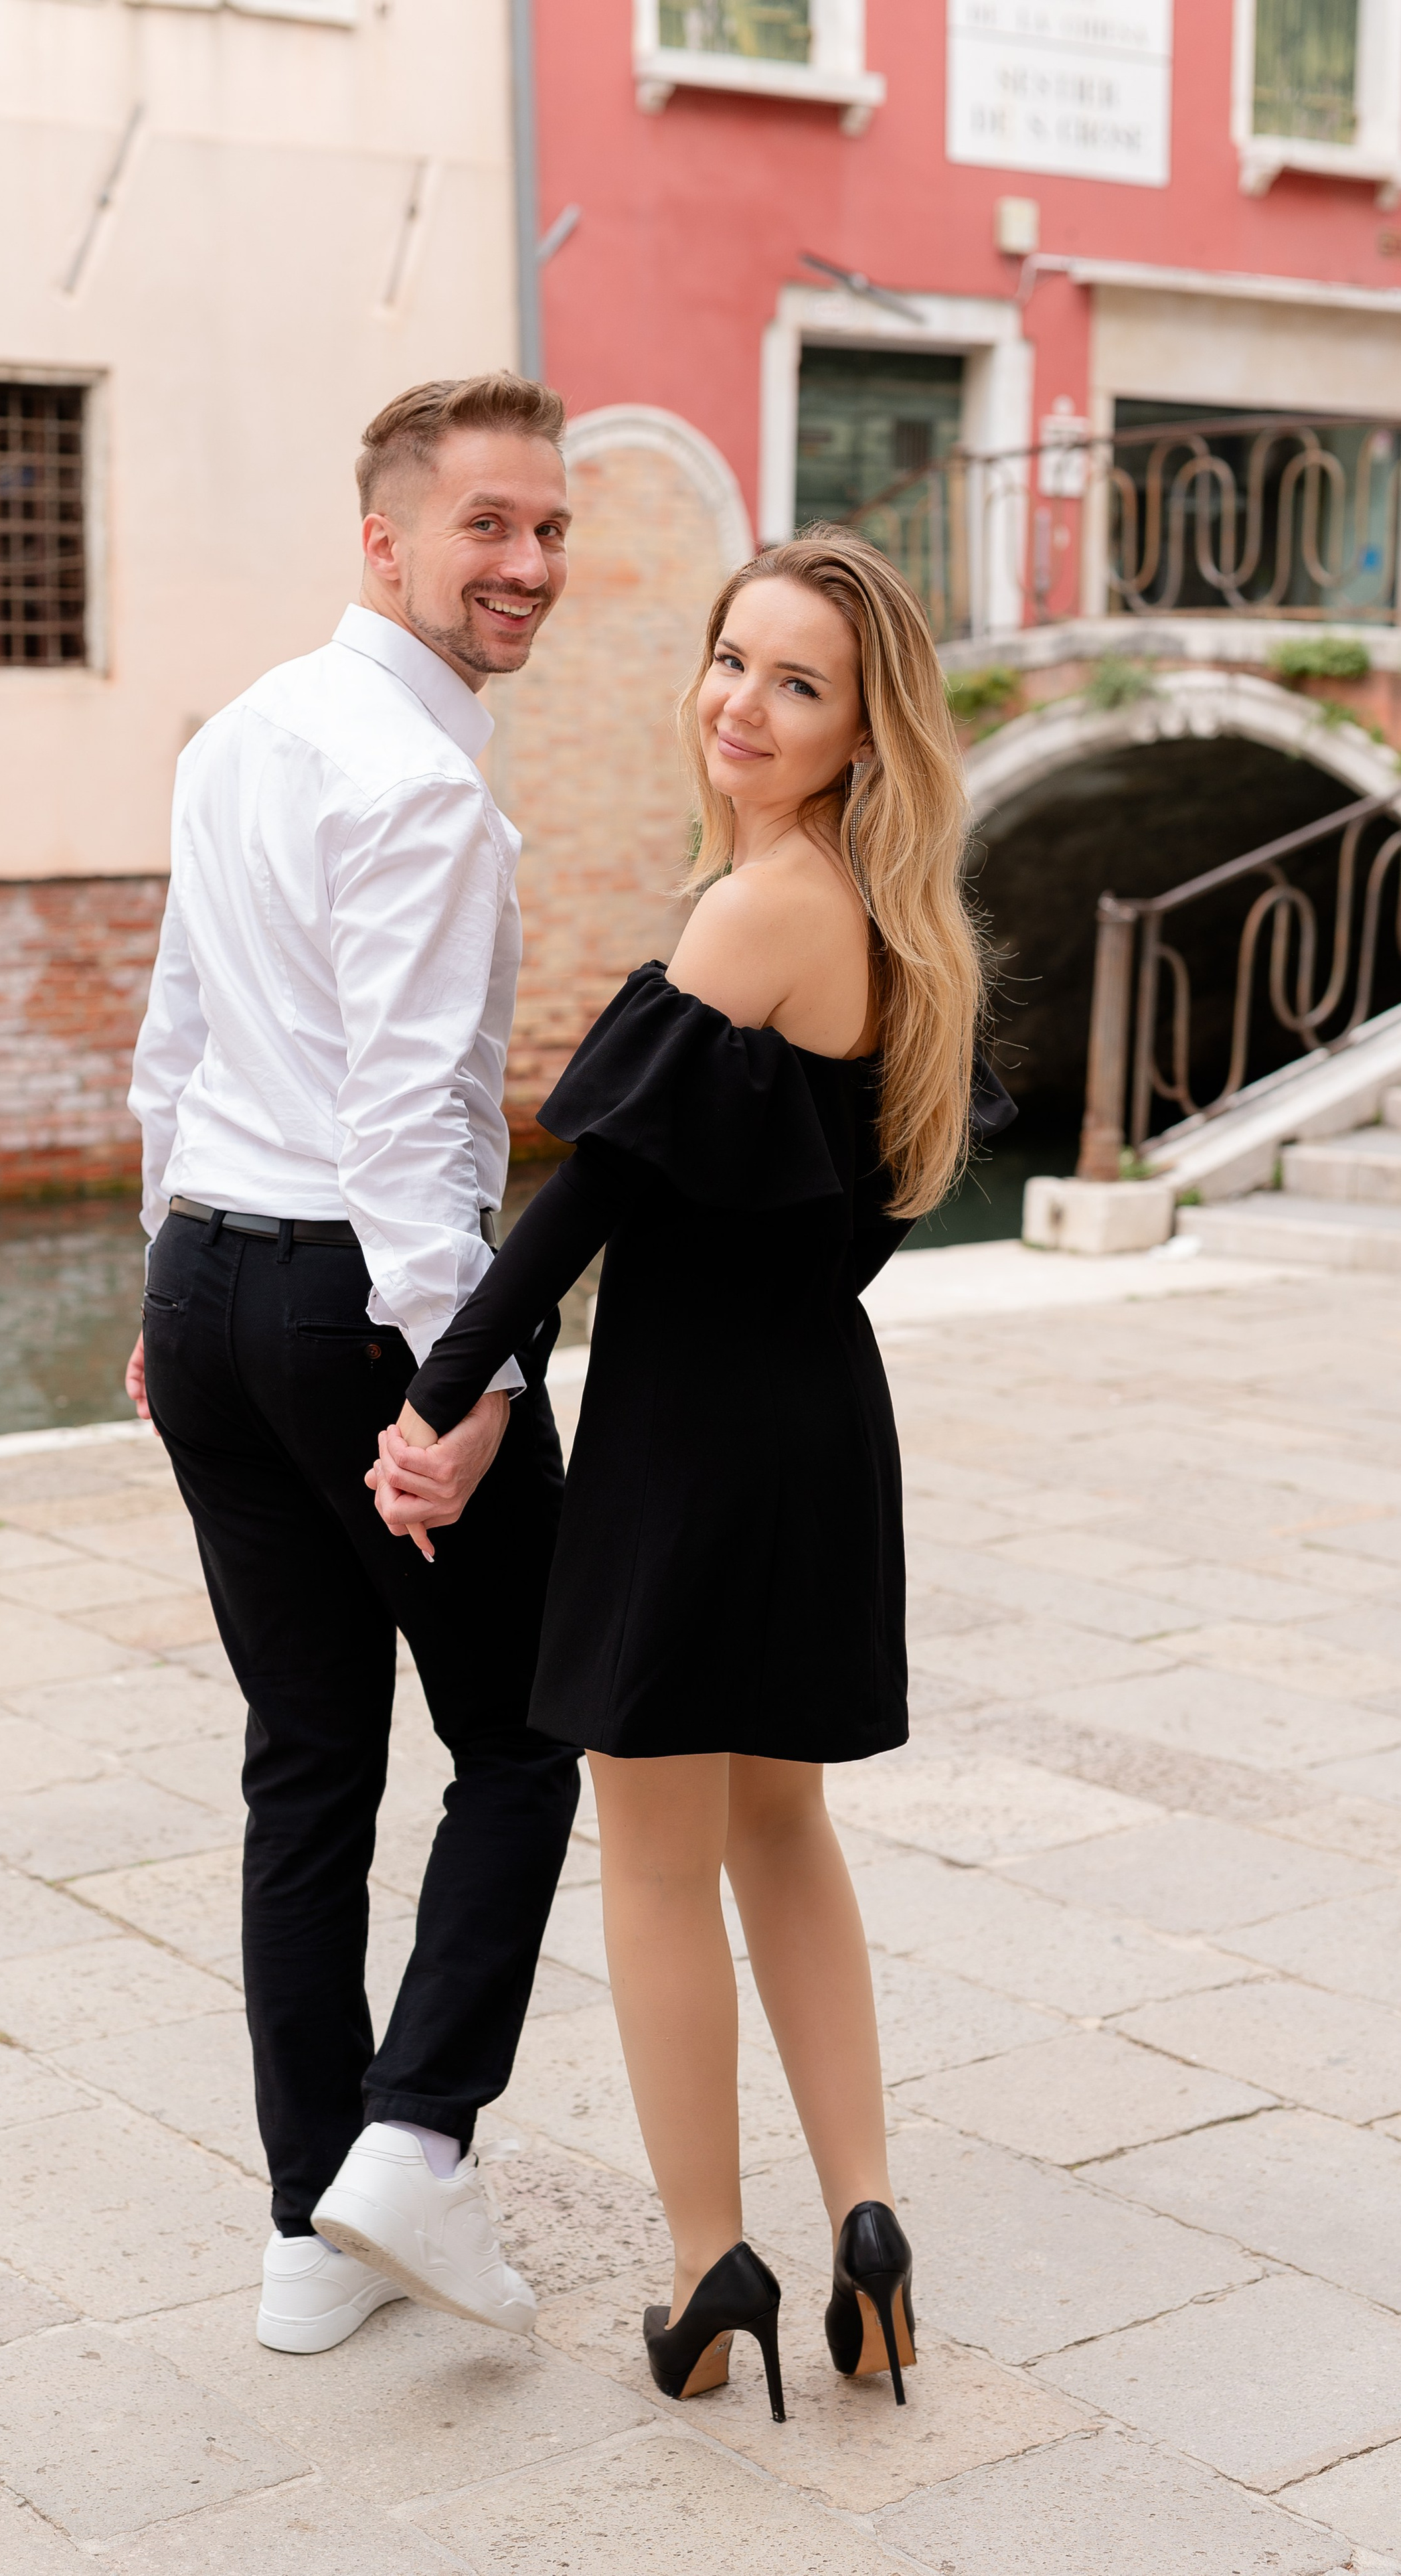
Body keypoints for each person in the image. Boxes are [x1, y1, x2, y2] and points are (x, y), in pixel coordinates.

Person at [366, 528, 1010, 2421]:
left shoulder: (759, 910)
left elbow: (588, 1200)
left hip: (693, 1443)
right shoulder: (895, 925)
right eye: (732, 658)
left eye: (796, 681)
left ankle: (702, 2267)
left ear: (860, 728)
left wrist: (447, 1392)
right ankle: (871, 2234)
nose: (740, 699)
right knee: (785, 1833)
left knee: (652, 1862)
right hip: (819, 1425)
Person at [126, 373, 582, 2358]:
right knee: (531, 1728)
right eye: (491, 526)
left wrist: (160, 1298)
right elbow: (412, 1130)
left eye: (553, 529)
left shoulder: (242, 732)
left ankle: (309, 2248)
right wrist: (465, 1390)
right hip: (350, 1304)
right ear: (384, 540)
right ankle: (410, 2143)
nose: (532, 565)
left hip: (214, 1285)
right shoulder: (417, 784)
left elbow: (174, 1042)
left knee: (306, 1768)